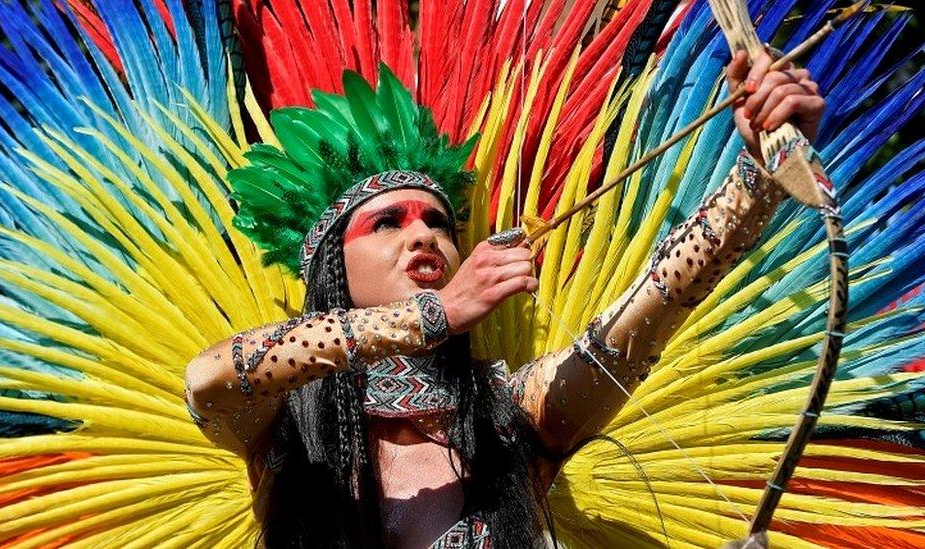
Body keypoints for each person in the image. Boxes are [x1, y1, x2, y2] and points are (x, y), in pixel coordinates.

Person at [184, 51, 824, 548]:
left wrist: (760, 173)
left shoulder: (513, 416)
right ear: (331, 266)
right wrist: (435, 316)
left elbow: (650, 307)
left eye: (440, 224)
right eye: (387, 223)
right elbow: (211, 379)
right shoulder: (285, 429)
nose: (424, 237)